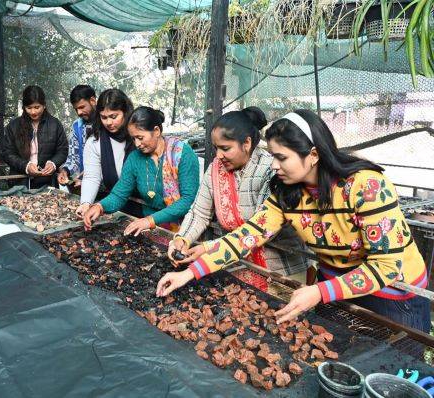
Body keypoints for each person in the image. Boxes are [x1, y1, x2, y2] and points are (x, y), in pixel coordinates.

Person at [156, 109, 430, 333]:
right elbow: (245, 237)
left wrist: (320, 292)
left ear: (313, 155)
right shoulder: (288, 193)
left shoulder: (366, 186)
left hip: (393, 296)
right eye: (272, 155)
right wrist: (189, 273)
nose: (273, 165)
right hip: (332, 288)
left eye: (281, 157)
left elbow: (387, 267)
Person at [169, 107, 307, 285]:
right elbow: (199, 213)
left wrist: (208, 248)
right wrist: (183, 238)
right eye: (216, 148)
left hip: (280, 272)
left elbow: (259, 230)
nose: (219, 155)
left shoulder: (271, 170)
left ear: (247, 143)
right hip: (235, 264)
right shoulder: (215, 169)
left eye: (225, 148)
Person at [83, 106, 200, 236]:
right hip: (150, 228)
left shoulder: (182, 154)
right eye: (133, 138)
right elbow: (119, 194)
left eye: (140, 137)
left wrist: (150, 220)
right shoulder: (135, 158)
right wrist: (99, 207)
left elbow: (188, 200)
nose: (137, 144)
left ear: (156, 131)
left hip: (183, 230)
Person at [75, 88, 137, 218]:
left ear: (125, 113)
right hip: (114, 205)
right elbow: (92, 176)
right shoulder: (94, 141)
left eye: (113, 117)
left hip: (146, 206)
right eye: (104, 117)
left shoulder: (139, 138)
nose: (108, 122)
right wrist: (86, 202)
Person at [1, 85, 68, 189]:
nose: (33, 112)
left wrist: (53, 163)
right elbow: (7, 153)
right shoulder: (13, 126)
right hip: (20, 182)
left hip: (47, 182)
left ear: (44, 105)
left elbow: (62, 150)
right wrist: (26, 166)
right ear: (24, 107)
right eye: (29, 108)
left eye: (37, 107)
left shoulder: (55, 124)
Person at [57, 85, 97, 191]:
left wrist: (88, 179)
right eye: (76, 109)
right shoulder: (76, 126)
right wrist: (65, 171)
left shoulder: (106, 123)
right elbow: (74, 158)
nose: (79, 112)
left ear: (93, 100)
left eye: (82, 107)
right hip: (84, 186)